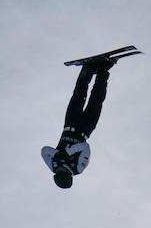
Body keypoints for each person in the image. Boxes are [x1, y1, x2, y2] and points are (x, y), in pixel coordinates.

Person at [42, 53, 127, 188]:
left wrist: (56, 154)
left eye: (57, 172)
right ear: (67, 174)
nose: (59, 169)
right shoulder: (78, 168)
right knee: (97, 99)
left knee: (78, 94)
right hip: (86, 128)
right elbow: (85, 148)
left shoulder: (53, 165)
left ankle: (88, 68)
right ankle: (104, 69)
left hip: (69, 124)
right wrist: (67, 152)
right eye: (61, 172)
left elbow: (44, 150)